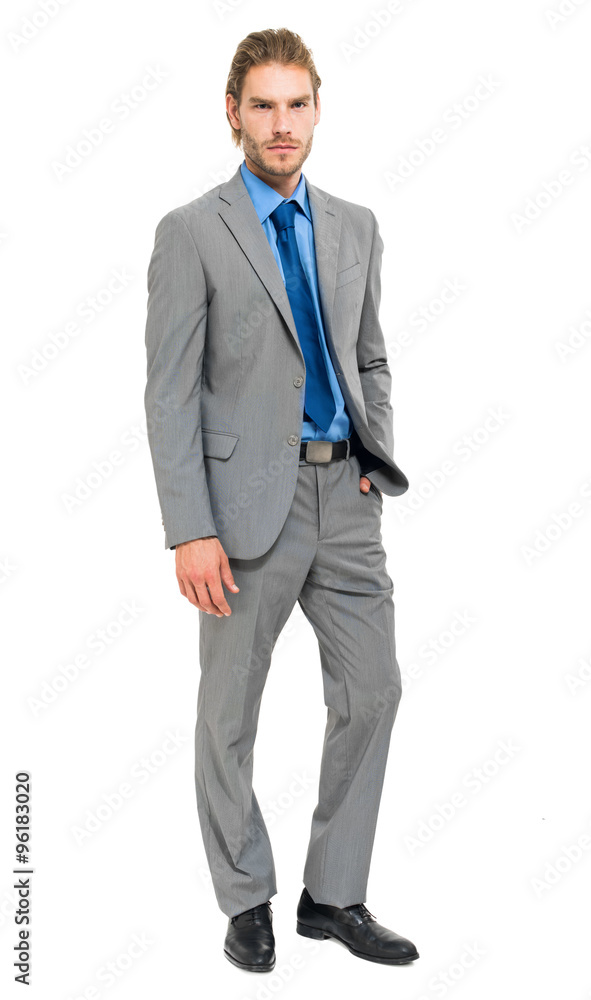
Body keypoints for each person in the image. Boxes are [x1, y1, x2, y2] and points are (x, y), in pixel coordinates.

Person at [144, 26, 419, 973]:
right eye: (261, 106)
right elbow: (170, 394)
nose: (281, 124)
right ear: (233, 114)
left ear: (316, 109)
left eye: (296, 104)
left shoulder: (355, 225)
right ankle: (244, 898)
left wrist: (374, 455)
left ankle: (332, 896)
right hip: (241, 507)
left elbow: (370, 355)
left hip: (347, 497)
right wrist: (190, 527)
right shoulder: (192, 231)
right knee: (229, 714)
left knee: (374, 690)